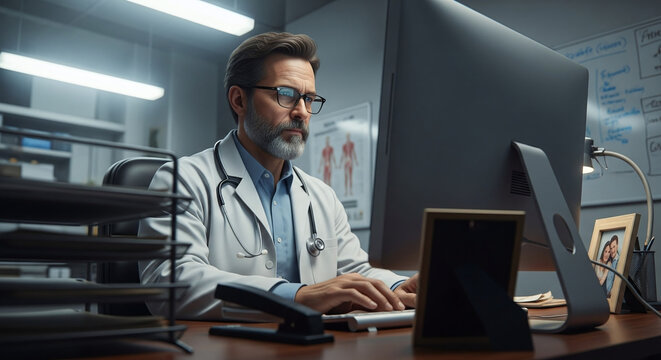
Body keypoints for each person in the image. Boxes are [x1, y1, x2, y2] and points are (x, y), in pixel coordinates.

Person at [138, 32, 417, 320]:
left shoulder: (322, 196)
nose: (301, 112)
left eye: (309, 99)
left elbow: (355, 271)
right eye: (286, 95)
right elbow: (171, 280)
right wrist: (296, 296)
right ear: (238, 100)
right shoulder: (182, 180)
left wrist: (400, 286)